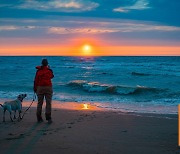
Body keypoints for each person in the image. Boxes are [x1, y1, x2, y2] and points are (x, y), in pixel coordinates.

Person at [34, 59, 54, 124]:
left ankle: (39, 117)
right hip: (48, 87)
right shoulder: (49, 71)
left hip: (40, 87)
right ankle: (48, 118)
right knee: (48, 103)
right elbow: (52, 76)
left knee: (40, 103)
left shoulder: (38, 71)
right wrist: (49, 68)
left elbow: (36, 80)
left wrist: (35, 88)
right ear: (47, 64)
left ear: (42, 64)